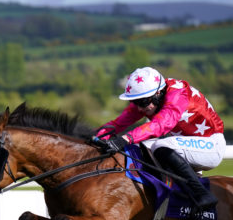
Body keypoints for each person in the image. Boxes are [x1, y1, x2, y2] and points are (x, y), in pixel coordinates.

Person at [94, 66, 225, 209]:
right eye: (135, 102)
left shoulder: (177, 94)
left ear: (158, 93)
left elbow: (161, 125)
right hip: (186, 147)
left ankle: (202, 195)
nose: (139, 108)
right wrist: (95, 137)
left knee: (160, 146)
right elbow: (118, 123)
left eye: (142, 102)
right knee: (138, 149)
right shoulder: (149, 98)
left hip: (211, 145)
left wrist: (124, 139)